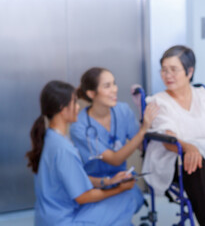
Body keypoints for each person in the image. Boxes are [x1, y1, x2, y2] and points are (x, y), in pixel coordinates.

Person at [26, 81, 138, 225]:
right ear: (63, 108)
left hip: (48, 218)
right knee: (126, 198)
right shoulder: (63, 149)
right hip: (65, 221)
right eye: (75, 102)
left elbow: (74, 179)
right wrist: (119, 189)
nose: (78, 107)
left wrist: (109, 181)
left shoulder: (50, 137)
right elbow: (83, 197)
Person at [142, 45, 205, 226]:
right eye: (164, 70)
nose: (168, 75)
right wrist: (189, 148)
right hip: (173, 156)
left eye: (174, 69)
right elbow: (168, 140)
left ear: (189, 71)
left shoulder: (203, 95)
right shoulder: (158, 101)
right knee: (195, 163)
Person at [69, 67, 158, 216]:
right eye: (107, 86)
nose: (115, 89)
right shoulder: (80, 126)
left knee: (132, 200)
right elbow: (115, 160)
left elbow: (143, 147)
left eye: (114, 84)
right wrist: (143, 129)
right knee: (105, 212)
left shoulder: (123, 110)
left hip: (122, 181)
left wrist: (143, 114)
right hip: (92, 184)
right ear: (92, 94)